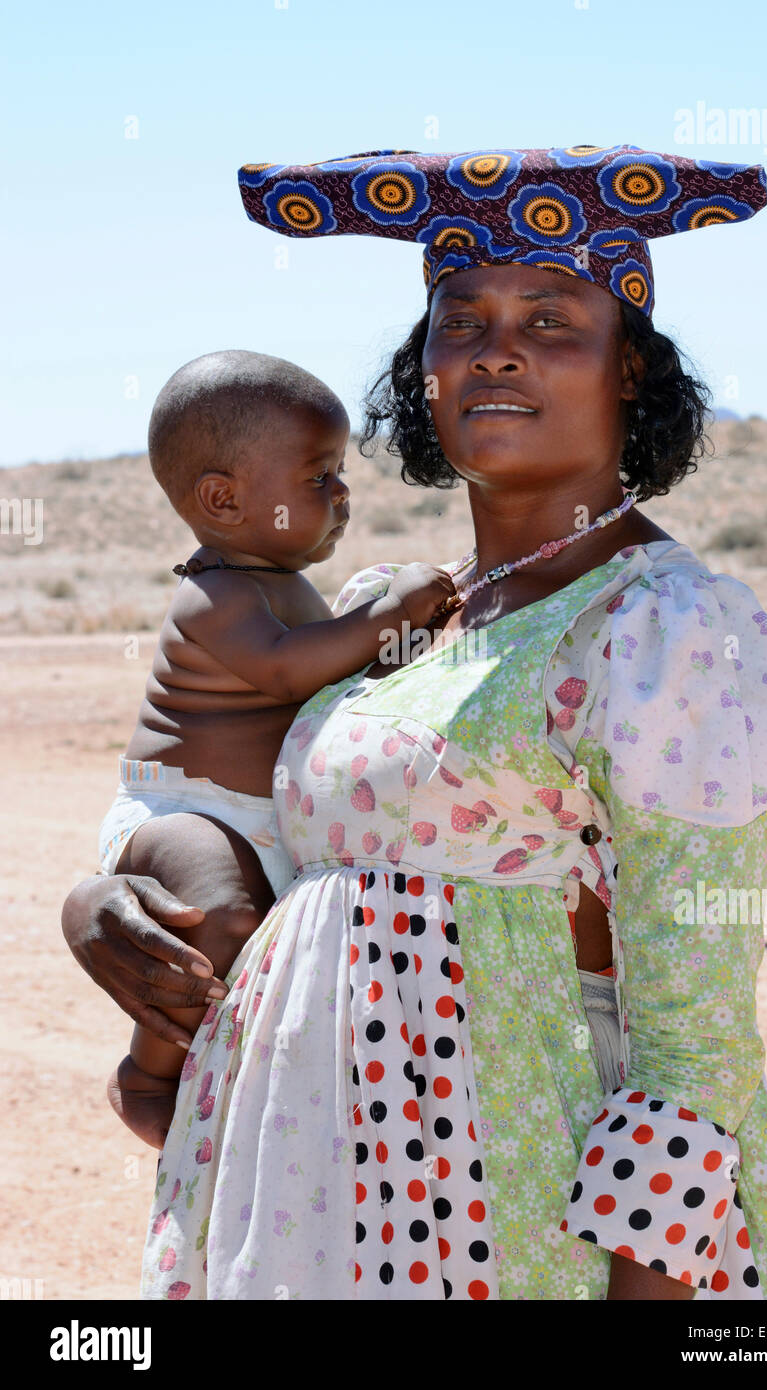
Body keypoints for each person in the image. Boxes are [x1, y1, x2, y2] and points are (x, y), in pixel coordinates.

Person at [62, 144, 767, 1301]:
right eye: (458, 319)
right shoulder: (394, 613)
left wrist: (650, 1295)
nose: (496, 346)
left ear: (630, 371)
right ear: (420, 369)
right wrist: (100, 902)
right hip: (319, 1202)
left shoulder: (663, 625)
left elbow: (694, 1038)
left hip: (514, 1218)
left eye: (552, 319)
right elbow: (250, 829)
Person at [98, 348, 455, 1149]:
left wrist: (396, 641)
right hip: (184, 810)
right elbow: (288, 667)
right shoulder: (216, 594)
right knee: (219, 919)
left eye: (338, 473)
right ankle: (146, 1077)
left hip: (255, 820)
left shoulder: (281, 580)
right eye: (317, 477)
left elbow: (326, 677)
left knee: (271, 949)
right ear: (222, 500)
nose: (342, 494)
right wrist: (387, 612)